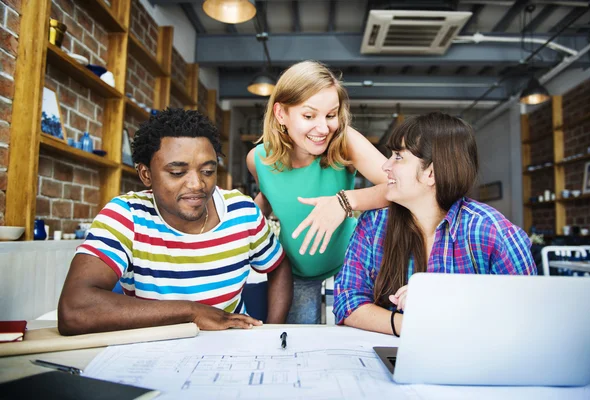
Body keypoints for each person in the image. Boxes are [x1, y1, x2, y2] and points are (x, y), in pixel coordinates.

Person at [58, 108, 292, 335]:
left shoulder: (241, 211)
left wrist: (272, 331)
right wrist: (192, 312)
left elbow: (279, 265)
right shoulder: (126, 216)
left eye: (208, 171)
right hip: (153, 352)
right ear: (146, 175)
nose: (197, 184)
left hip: (230, 347)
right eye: (178, 173)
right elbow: (74, 309)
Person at [333, 112, 536, 335]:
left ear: (431, 173)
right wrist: (414, 325)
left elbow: (527, 316)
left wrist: (441, 300)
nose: (385, 167)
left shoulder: (494, 233)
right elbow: (346, 302)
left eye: (399, 157)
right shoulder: (373, 224)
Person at [246, 61, 389, 324]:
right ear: (281, 114)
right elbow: (268, 196)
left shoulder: (345, 142)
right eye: (309, 116)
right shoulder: (257, 159)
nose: (323, 128)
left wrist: (345, 202)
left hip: (351, 263)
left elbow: (399, 187)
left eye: (331, 115)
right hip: (296, 271)